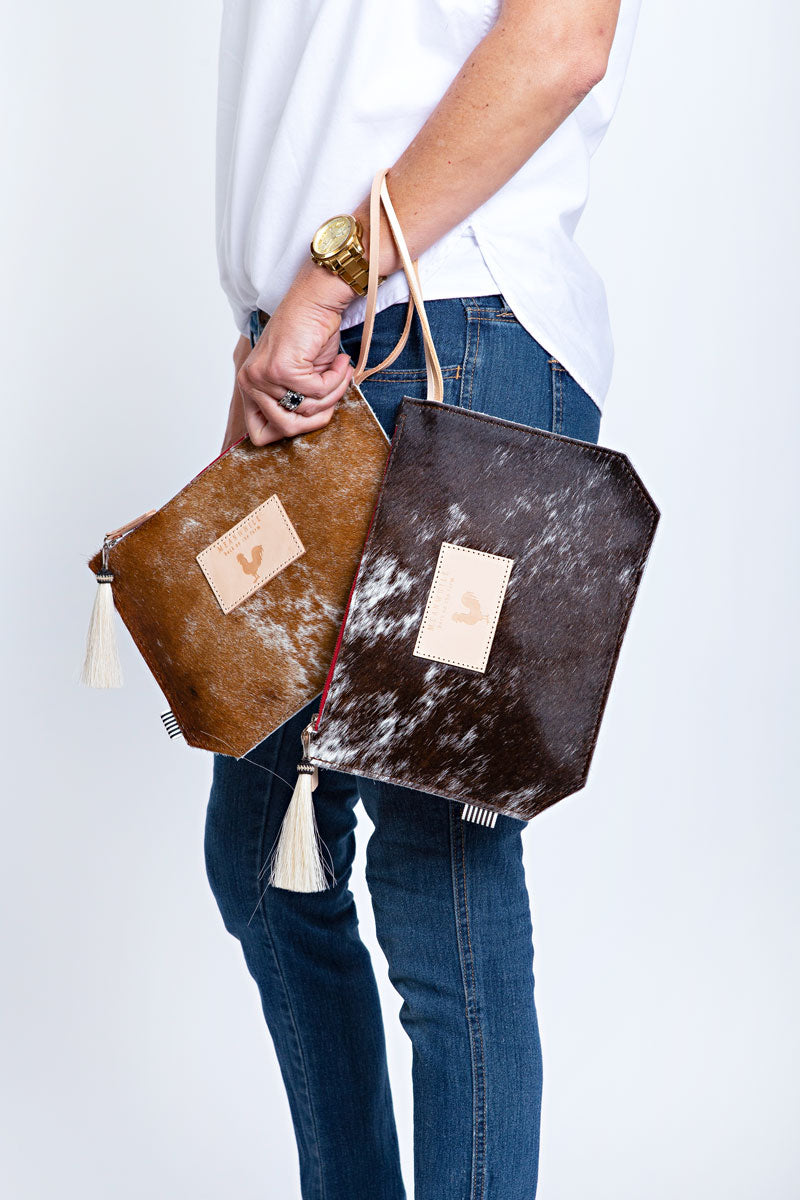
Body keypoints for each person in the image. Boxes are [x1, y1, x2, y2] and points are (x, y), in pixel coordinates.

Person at [204, 1, 639, 1196]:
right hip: (313, 347)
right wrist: (276, 325)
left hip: (454, 331)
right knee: (260, 857)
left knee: (435, 873)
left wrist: (323, 281)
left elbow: (560, 38)